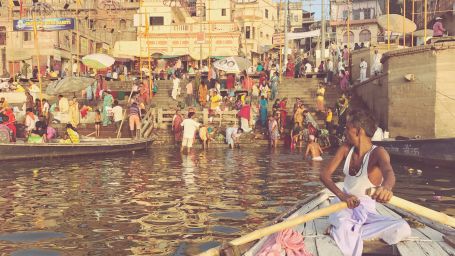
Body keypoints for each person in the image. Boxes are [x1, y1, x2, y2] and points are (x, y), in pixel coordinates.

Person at [320, 109, 411, 256]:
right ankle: (345, 229)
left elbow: (389, 173)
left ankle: (341, 231)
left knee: (402, 228)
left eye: (347, 129)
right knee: (344, 222)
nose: (344, 132)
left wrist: (386, 188)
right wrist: (343, 196)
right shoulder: (345, 149)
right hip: (344, 204)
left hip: (366, 209)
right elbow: (325, 175)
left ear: (359, 131)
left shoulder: (378, 152)